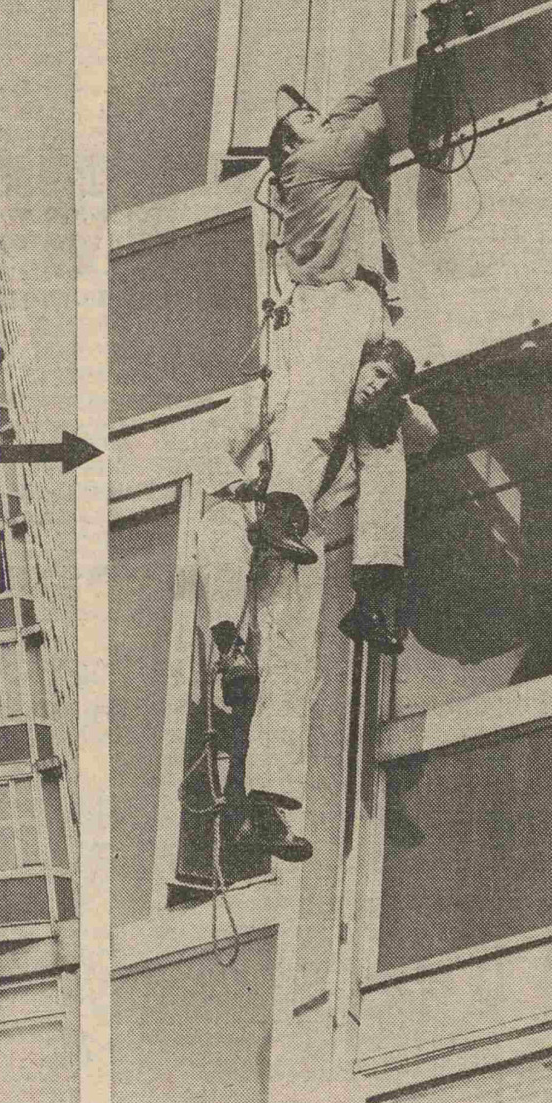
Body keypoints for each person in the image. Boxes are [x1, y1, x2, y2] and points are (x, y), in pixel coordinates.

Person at [194, 83, 436, 864]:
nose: (312, 120)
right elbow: (371, 118)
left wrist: (390, 394)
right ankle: (281, 527)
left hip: (293, 535)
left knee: (290, 665)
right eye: (300, 120)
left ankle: (263, 803)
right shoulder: (312, 163)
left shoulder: (331, 191)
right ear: (290, 144)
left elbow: (409, 433)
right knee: (314, 419)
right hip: (331, 313)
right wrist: (363, 94)